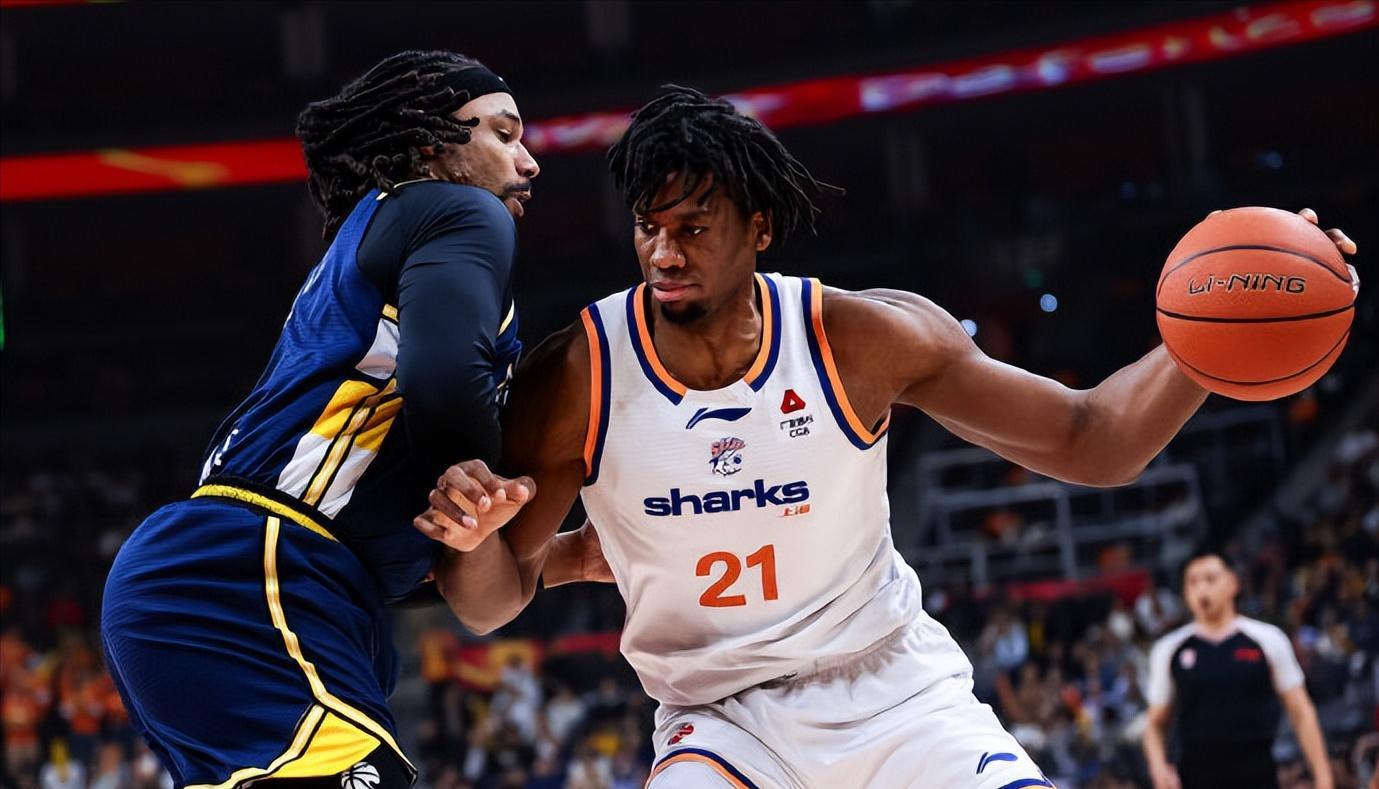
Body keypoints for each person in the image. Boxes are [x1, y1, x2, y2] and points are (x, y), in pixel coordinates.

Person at [415, 86, 1358, 788]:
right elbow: (491, 601)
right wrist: (475, 544)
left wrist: (1208, 344)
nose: (665, 251)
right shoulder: (578, 374)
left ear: (759, 227)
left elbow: (1094, 438)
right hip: (718, 720)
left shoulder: (862, 338)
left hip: (895, 690)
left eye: (693, 226)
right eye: (647, 227)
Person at [100, 50, 538, 788]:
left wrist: (545, 556)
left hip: (271, 580)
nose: (527, 161)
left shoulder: (375, 240)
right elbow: (444, 387)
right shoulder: (459, 210)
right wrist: (475, 484)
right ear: (431, 145)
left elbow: (444, 571)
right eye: (502, 133)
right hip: (257, 571)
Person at [1143, 550, 1334, 789]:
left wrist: (1324, 778)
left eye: (1210, 579)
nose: (1202, 589)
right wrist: (1158, 766)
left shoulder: (1268, 639)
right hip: (1196, 776)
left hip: (1258, 774)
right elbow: (1155, 723)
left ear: (1233, 583)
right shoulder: (1169, 649)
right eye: (1193, 582)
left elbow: (1301, 711)